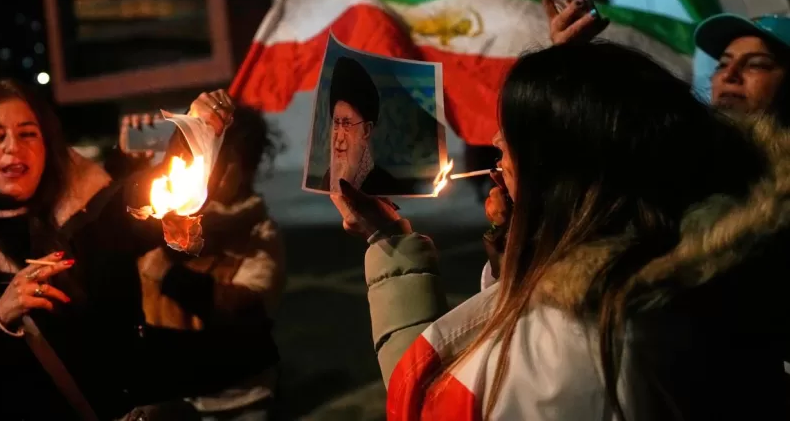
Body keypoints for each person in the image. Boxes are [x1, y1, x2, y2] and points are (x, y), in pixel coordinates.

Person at [334, 41, 789, 419]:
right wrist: (528, 245)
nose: (495, 146)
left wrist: (387, 241)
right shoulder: (681, 262)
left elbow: (426, 401)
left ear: (560, 174)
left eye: (511, 134)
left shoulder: (578, 346)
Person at [0, 80, 241, 420]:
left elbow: (160, 197)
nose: (13, 147)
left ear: (48, 144)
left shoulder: (90, 212)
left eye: (28, 133)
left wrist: (194, 133)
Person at [126, 104, 286, 421]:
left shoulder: (260, 233)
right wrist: (128, 166)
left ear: (249, 169)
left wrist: (169, 275)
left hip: (236, 398)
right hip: (172, 393)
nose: (214, 170)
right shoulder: (178, 216)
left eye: (227, 162)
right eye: (212, 157)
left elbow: (239, 306)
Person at [543, 0, 790, 123]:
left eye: (756, 65)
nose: (729, 76)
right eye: (722, 65)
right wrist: (570, 59)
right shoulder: (678, 158)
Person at [318, 56, 406, 195]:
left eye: (347, 124)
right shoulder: (326, 181)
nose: (339, 137)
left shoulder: (386, 186)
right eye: (336, 123)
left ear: (366, 130)